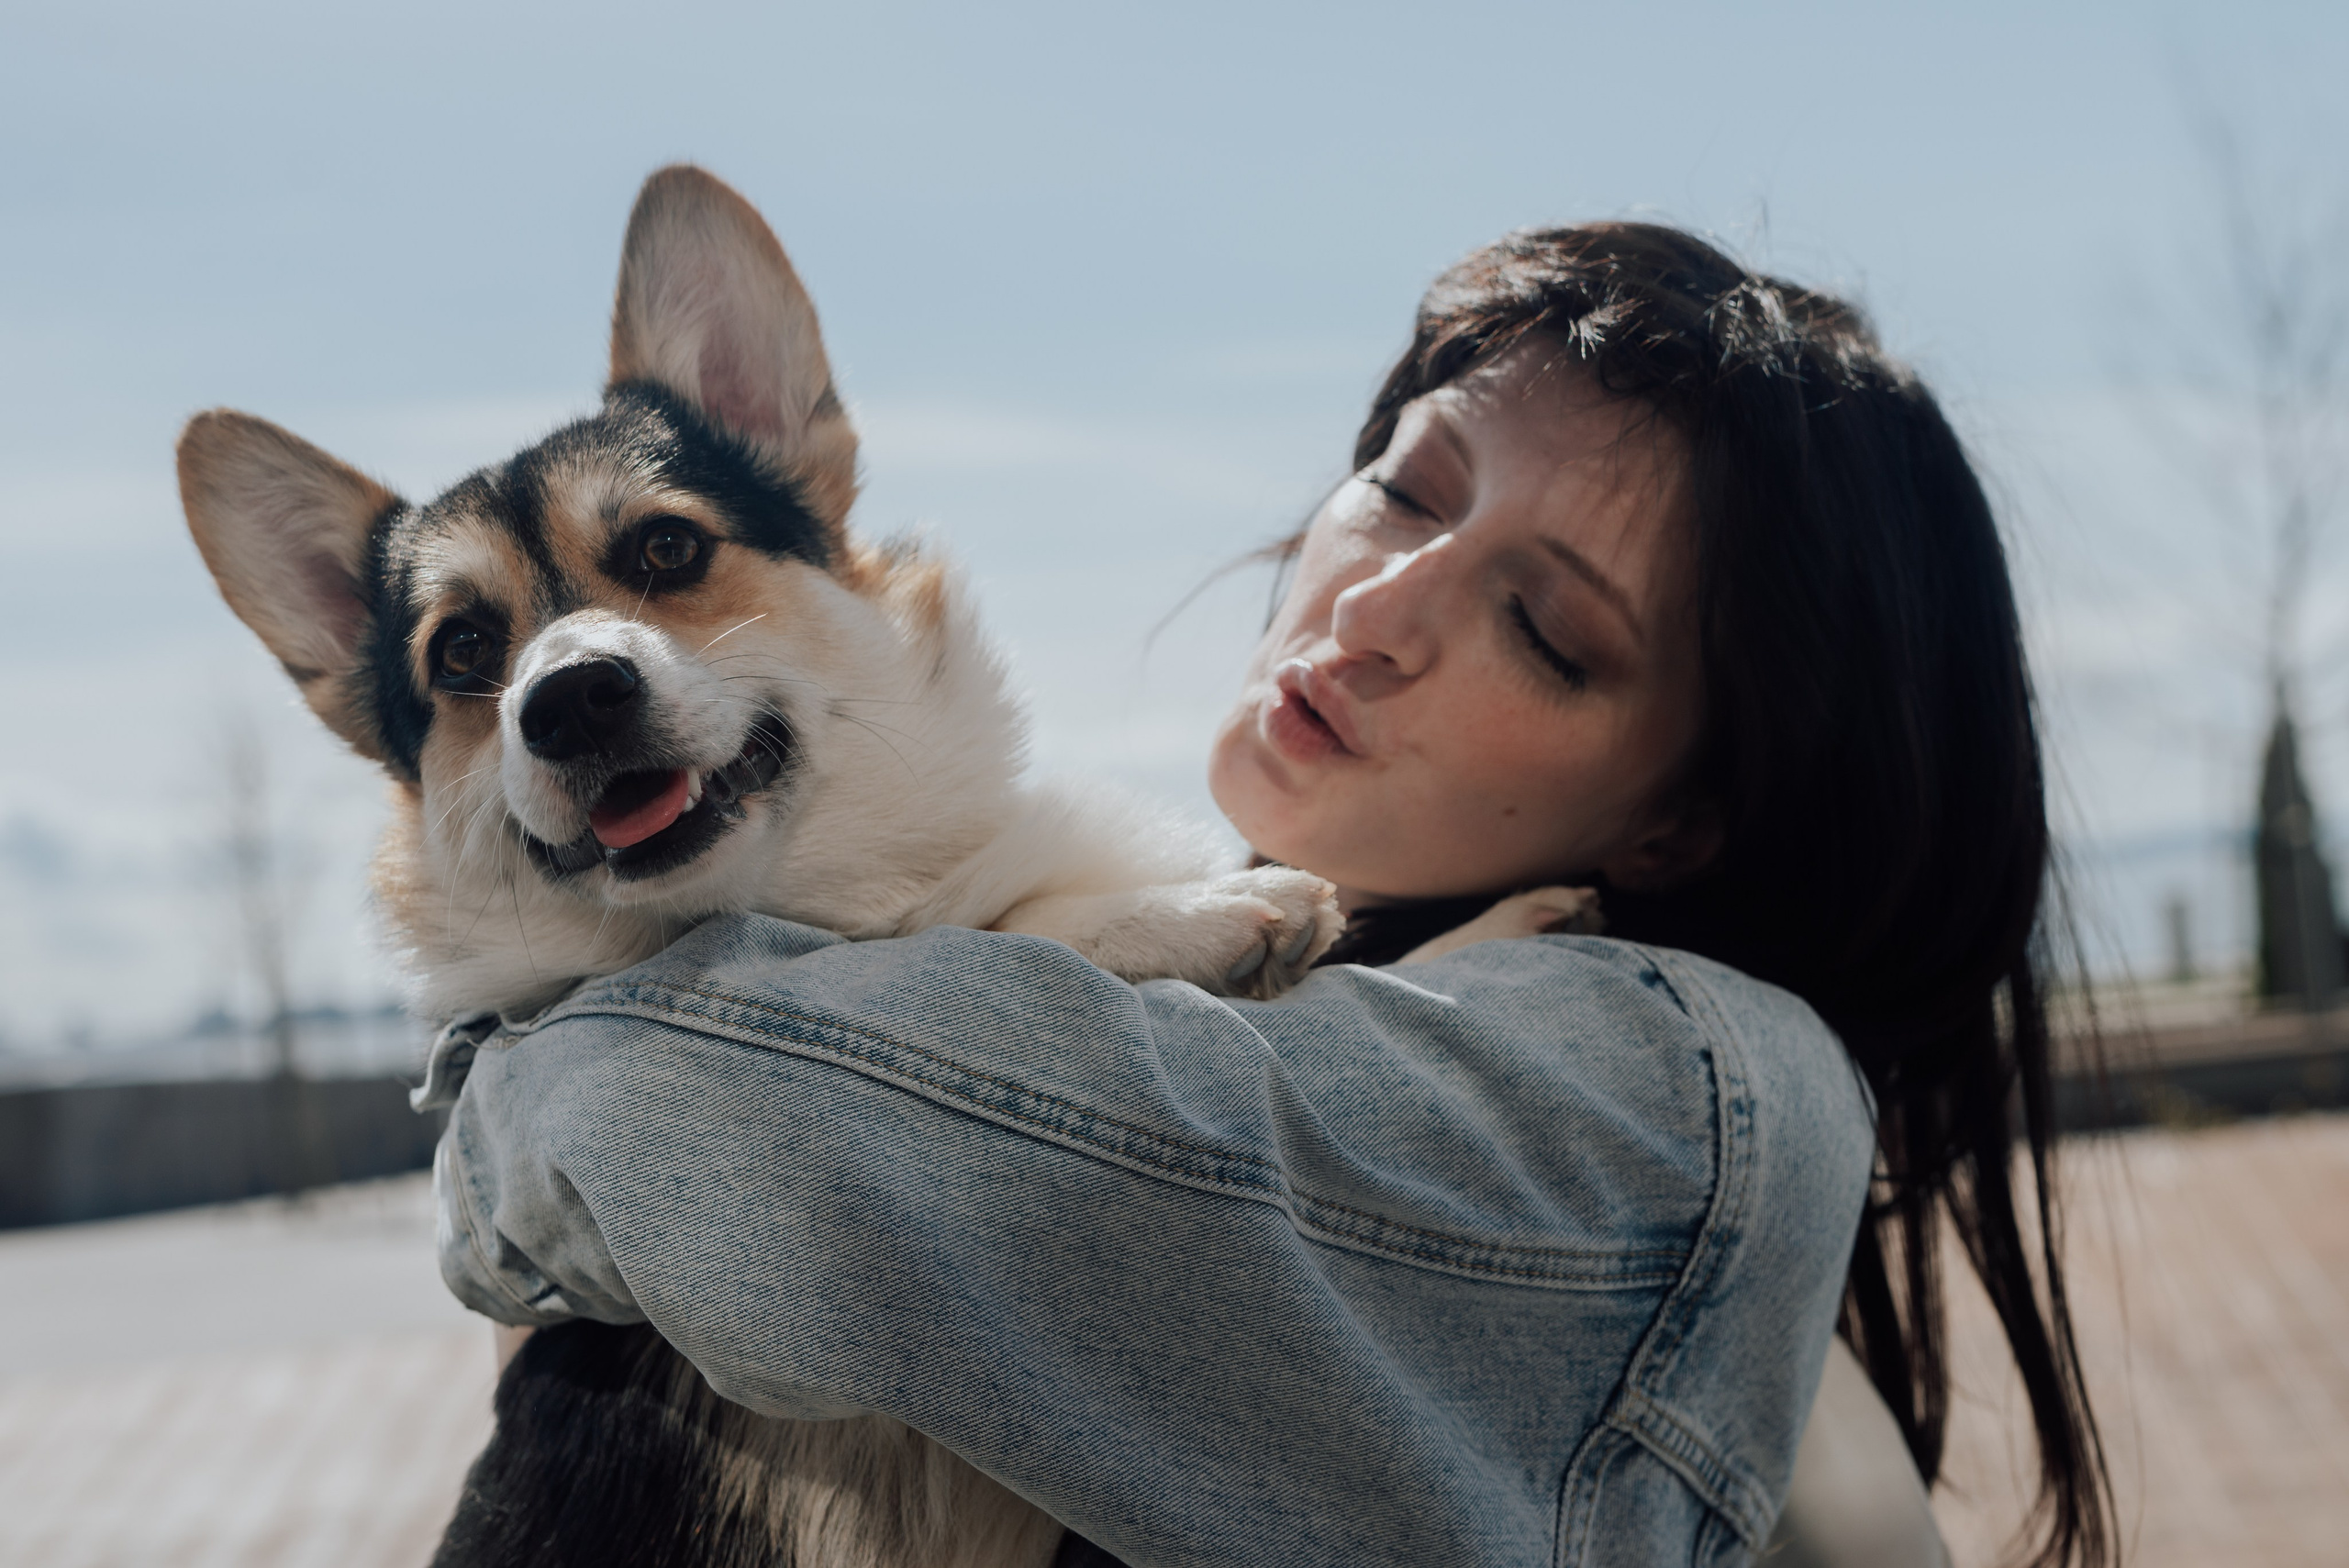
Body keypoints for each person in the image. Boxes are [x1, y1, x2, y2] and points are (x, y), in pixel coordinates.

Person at [433, 224, 2111, 1567]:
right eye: (1407, 484)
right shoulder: (1262, 971)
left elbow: (712, 1120)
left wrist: (511, 1113)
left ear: (1689, 818)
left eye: (1547, 628)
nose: (1377, 603)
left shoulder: (1693, 1095)